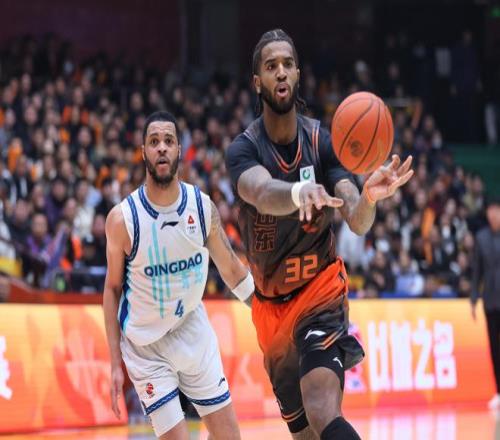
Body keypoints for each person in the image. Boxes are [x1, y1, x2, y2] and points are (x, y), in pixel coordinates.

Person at [226, 29, 413, 440]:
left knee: (322, 406)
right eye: (271, 66)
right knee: (305, 434)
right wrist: (299, 192)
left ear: (298, 74)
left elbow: (357, 219)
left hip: (319, 292)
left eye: (288, 64)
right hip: (271, 310)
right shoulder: (243, 149)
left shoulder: (323, 142)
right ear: (257, 81)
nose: (281, 72)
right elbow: (261, 192)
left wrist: (368, 197)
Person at [103, 111, 254, 439]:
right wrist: (115, 363)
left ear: (179, 150)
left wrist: (267, 309)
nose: (161, 147)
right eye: (154, 141)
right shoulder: (122, 220)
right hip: (146, 348)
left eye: (168, 141)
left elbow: (231, 269)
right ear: (143, 152)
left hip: (192, 329)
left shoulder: (202, 207)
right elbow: (112, 290)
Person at [471, 196, 500, 410]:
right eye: (490, 210)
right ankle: (498, 391)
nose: (493, 214)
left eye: (496, 210)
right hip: (490, 300)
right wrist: (474, 297)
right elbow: (477, 271)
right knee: (494, 348)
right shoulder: (481, 238)